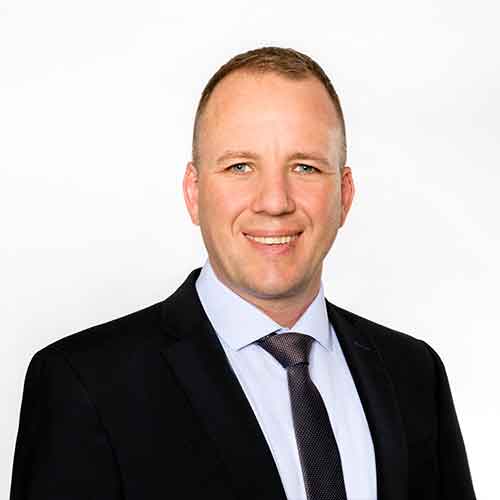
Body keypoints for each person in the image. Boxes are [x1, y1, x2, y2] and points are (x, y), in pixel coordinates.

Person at [10, 47, 476, 500]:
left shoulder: (415, 375)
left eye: (305, 167)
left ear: (344, 194)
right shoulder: (86, 384)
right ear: (194, 193)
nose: (275, 201)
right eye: (240, 166)